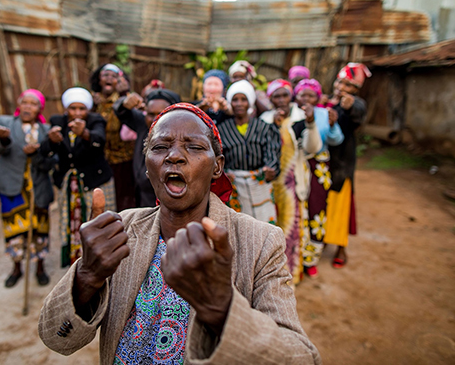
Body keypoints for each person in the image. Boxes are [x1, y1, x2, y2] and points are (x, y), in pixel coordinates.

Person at [38, 103, 321, 364]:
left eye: (194, 147)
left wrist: (222, 310)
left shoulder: (259, 242)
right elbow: (56, 338)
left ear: (217, 167)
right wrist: (88, 275)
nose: (174, 156)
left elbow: (302, 358)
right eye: (160, 147)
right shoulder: (120, 231)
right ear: (148, 167)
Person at [40, 87, 116, 268]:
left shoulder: (96, 120)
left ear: (88, 109)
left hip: (96, 181)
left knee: (99, 218)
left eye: (81, 109)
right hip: (70, 186)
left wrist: (85, 133)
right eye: (73, 108)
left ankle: (101, 260)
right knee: (71, 220)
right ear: (66, 109)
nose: (77, 113)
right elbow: (45, 151)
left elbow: (99, 141)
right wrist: (50, 140)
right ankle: (77, 260)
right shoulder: (57, 121)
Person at [0, 89, 54, 288]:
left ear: (39, 108)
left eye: (33, 104)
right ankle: (16, 268)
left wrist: (36, 154)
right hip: (11, 186)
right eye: (24, 102)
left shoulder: (45, 130)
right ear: (19, 104)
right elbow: (0, 149)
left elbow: (49, 163)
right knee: (13, 228)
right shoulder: (5, 123)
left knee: (39, 227)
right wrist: (5, 139)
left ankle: (40, 267)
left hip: (37, 187)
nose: (28, 107)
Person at [260, 79, 322, 285]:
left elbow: (313, 148)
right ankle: (269, 277)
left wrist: (311, 123)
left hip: (293, 186)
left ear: (290, 97)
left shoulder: (301, 118)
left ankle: (289, 276)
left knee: (291, 230)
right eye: (276, 96)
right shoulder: (265, 119)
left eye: (284, 95)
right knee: (269, 230)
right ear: (270, 100)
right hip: (269, 187)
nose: (281, 100)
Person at [294, 79, 344, 278]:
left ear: (317, 97)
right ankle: (296, 257)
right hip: (296, 165)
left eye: (311, 95)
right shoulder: (291, 114)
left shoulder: (325, 114)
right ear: (296, 97)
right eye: (302, 95)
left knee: (317, 210)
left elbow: (337, 139)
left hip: (319, 168)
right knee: (298, 210)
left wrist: (332, 126)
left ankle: (311, 259)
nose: (306, 99)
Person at [324, 63, 371, 269]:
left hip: (342, 166)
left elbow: (358, 112)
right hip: (323, 164)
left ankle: (341, 248)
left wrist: (349, 105)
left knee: (341, 207)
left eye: (347, 84)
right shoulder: (328, 102)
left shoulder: (354, 104)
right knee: (321, 204)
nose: (341, 87)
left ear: (355, 90)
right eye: (339, 81)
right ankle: (322, 240)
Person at [217, 80, 280, 224]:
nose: (239, 103)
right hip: (234, 186)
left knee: (263, 225)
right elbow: (217, 156)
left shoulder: (263, 127)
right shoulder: (222, 129)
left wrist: (270, 168)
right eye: (235, 100)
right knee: (238, 225)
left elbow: (272, 152)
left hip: (259, 184)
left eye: (243, 99)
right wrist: (225, 173)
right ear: (230, 103)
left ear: (250, 102)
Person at [113, 88, 182, 207]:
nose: (155, 119)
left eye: (161, 114)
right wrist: (124, 102)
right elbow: (121, 111)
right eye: (150, 114)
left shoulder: (182, 136)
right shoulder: (142, 124)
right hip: (142, 197)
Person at [90, 63, 136, 211]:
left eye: (114, 76)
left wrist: (124, 96)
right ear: (99, 79)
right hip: (100, 159)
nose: (109, 78)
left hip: (123, 159)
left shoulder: (125, 100)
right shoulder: (92, 101)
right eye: (105, 75)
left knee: (124, 200)